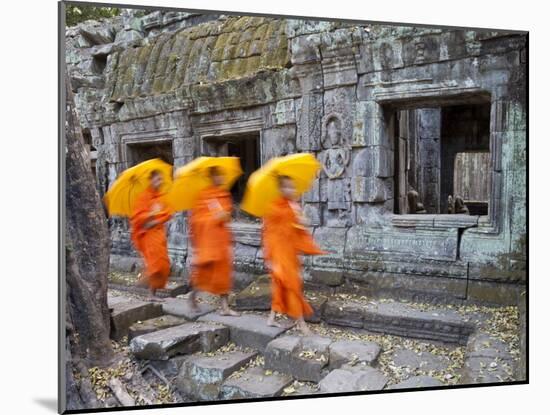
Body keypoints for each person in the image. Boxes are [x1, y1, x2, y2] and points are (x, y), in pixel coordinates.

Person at [262, 175, 325, 335]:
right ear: (281, 189)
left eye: (293, 187)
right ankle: (301, 322)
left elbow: (297, 230)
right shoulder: (274, 208)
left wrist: (301, 223)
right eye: (288, 187)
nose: (292, 190)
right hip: (278, 254)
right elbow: (269, 234)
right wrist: (270, 258)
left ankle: (271, 318)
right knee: (292, 286)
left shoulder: (294, 206)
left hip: (290, 253)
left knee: (281, 286)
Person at [188, 166, 239, 316]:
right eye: (218, 175)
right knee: (205, 274)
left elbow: (228, 214)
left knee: (224, 275)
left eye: (222, 175)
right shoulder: (203, 195)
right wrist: (212, 219)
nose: (221, 178)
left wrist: (225, 216)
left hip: (221, 241)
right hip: (208, 242)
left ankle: (225, 307)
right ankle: (193, 296)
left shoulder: (224, 194)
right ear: (211, 177)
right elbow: (196, 220)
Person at [130, 169, 173, 301]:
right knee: (156, 265)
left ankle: (149, 287)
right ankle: (149, 291)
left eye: (160, 179)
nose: (159, 182)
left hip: (159, 234)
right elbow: (137, 217)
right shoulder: (144, 197)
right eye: (156, 179)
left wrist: (156, 219)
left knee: (163, 264)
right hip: (147, 234)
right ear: (151, 180)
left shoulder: (161, 197)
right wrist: (149, 215)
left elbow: (168, 213)